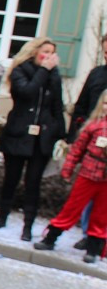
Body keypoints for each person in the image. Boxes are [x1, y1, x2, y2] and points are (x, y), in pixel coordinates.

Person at [0, 37, 66, 241]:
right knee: (11, 179)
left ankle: (28, 226)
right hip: (19, 133)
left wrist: (60, 133)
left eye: (52, 53)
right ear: (34, 52)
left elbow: (57, 105)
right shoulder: (20, 70)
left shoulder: (55, 76)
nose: (49, 57)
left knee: (33, 183)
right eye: (45, 52)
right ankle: (2, 216)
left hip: (42, 137)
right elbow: (26, 92)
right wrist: (43, 70)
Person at [34, 90, 107, 263]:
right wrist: (68, 168)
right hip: (88, 174)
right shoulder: (93, 126)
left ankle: (93, 249)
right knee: (72, 208)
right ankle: (50, 238)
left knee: (101, 215)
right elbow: (77, 151)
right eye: (105, 103)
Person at [64, 33, 107, 249]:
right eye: (106, 51)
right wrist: (75, 136)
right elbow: (81, 106)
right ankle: (90, 235)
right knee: (90, 195)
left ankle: (99, 239)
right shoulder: (97, 74)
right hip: (94, 144)